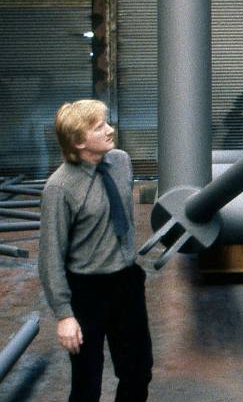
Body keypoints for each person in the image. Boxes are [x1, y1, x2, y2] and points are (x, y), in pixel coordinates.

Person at [39, 99, 153, 402]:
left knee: (138, 372)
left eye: (107, 122)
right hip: (87, 291)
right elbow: (50, 256)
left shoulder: (121, 161)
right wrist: (64, 315)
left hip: (126, 283)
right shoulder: (59, 187)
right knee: (88, 383)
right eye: (99, 126)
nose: (110, 130)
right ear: (78, 141)